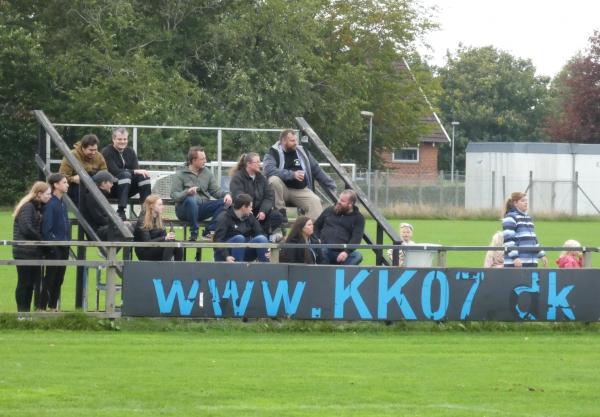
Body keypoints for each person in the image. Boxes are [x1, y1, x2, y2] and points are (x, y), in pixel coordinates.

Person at [263, 129, 337, 220]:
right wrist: (292, 175)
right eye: (292, 141)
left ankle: (313, 231)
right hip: (283, 190)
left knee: (315, 201)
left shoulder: (302, 152)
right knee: (273, 180)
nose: (295, 143)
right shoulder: (272, 153)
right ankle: (280, 213)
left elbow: (317, 170)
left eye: (296, 140)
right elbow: (269, 170)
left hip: (300, 190)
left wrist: (331, 185)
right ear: (283, 141)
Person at [171, 146, 232, 241]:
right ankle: (194, 233)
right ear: (193, 160)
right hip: (184, 210)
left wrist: (227, 195)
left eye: (205, 158)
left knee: (226, 202)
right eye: (202, 159)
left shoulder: (207, 172)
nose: (205, 161)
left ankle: (209, 231)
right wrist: (187, 192)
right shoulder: (180, 174)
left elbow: (216, 191)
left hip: (201, 208)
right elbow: (174, 195)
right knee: (191, 199)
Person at [12, 181, 52, 312]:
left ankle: (25, 313)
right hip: (24, 251)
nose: (50, 196)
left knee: (29, 284)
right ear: (39, 194)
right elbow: (26, 228)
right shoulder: (28, 207)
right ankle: (22, 312)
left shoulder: (35, 207)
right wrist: (42, 240)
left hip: (30, 251)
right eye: (48, 194)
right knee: (25, 283)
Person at [229, 152, 284, 242]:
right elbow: (238, 195)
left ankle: (261, 236)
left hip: (259, 214)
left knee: (277, 216)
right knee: (250, 220)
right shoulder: (238, 177)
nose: (260, 164)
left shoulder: (262, 178)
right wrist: (247, 208)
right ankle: (262, 237)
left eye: (260, 161)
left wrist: (263, 211)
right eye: (257, 162)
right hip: (245, 212)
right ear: (249, 164)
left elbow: (269, 197)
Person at [101, 127, 151, 220]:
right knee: (125, 175)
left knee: (144, 176)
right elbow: (114, 171)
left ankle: (146, 211)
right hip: (112, 188)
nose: (122, 142)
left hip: (127, 188)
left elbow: (136, 172)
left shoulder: (130, 151)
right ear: (113, 139)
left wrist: (137, 172)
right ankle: (121, 210)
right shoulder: (107, 151)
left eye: (125, 139)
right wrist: (133, 171)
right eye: (119, 139)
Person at [41, 173, 71, 311]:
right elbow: (47, 228)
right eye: (64, 182)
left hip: (64, 246)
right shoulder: (50, 204)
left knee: (59, 278)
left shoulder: (63, 203)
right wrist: (52, 247)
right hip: (55, 247)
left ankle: (53, 307)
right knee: (51, 277)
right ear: (56, 185)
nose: (67, 184)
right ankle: (41, 307)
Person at [213, 193, 269, 263]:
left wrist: (268, 249)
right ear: (243, 207)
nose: (251, 209)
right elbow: (218, 240)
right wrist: (226, 256)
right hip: (225, 254)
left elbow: (260, 232)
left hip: (243, 251)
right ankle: (239, 271)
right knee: (239, 238)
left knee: (262, 239)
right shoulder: (224, 217)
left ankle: (266, 271)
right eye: (250, 207)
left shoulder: (250, 217)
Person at [314, 189, 364, 265]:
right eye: (339, 199)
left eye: (343, 201)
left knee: (357, 256)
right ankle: (327, 274)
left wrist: (346, 252)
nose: (339, 202)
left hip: (342, 251)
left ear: (350, 204)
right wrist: (317, 239)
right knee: (321, 251)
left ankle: (341, 273)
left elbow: (356, 238)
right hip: (324, 248)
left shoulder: (358, 218)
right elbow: (316, 226)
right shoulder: (329, 210)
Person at [59, 133, 107, 206]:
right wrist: (73, 179)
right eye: (91, 150)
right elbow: (61, 176)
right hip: (74, 187)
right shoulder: (71, 155)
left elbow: (104, 171)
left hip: (94, 185)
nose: (94, 153)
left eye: (95, 150)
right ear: (83, 148)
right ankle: (86, 216)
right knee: (83, 191)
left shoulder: (99, 156)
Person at [502, 192, 548, 268]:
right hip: (517, 264)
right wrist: (515, 258)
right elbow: (509, 241)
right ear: (515, 203)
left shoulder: (528, 218)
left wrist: (541, 254)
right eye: (523, 201)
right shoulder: (510, 218)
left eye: (526, 200)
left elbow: (533, 240)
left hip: (531, 263)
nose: (526, 203)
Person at [134, 194, 183, 261]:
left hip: (156, 247)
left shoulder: (159, 219)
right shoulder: (142, 220)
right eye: (159, 205)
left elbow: (165, 239)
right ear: (151, 206)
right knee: (170, 244)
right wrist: (165, 238)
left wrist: (169, 237)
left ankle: (177, 270)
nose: (162, 207)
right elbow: (147, 243)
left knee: (177, 244)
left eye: (162, 204)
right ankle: (165, 269)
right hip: (145, 251)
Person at [80, 170, 124, 241]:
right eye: (111, 182)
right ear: (103, 183)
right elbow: (99, 219)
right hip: (95, 232)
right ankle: (107, 252)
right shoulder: (92, 196)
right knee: (125, 228)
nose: (112, 184)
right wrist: (117, 223)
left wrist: (119, 222)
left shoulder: (99, 194)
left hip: (103, 228)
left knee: (130, 226)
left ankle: (108, 252)